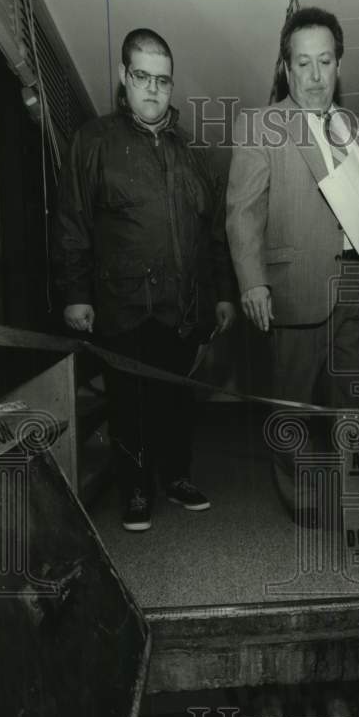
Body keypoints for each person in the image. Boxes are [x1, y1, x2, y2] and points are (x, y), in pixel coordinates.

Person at [55, 27, 237, 531]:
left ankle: (176, 478)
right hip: (123, 305)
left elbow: (212, 233)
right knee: (128, 403)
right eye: (142, 77)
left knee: (177, 401)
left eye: (162, 79)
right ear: (122, 77)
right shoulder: (93, 142)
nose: (153, 89)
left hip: (183, 309)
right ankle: (135, 492)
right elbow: (72, 223)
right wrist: (76, 295)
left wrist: (222, 295)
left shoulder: (192, 151)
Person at [225, 6, 359, 521]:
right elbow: (241, 212)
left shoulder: (355, 127)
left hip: (357, 282)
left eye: (325, 62)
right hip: (292, 286)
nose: (316, 76)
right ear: (286, 67)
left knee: (356, 399)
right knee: (292, 406)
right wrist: (252, 282)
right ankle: (301, 501)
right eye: (304, 64)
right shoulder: (261, 125)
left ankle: (350, 494)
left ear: (339, 65)